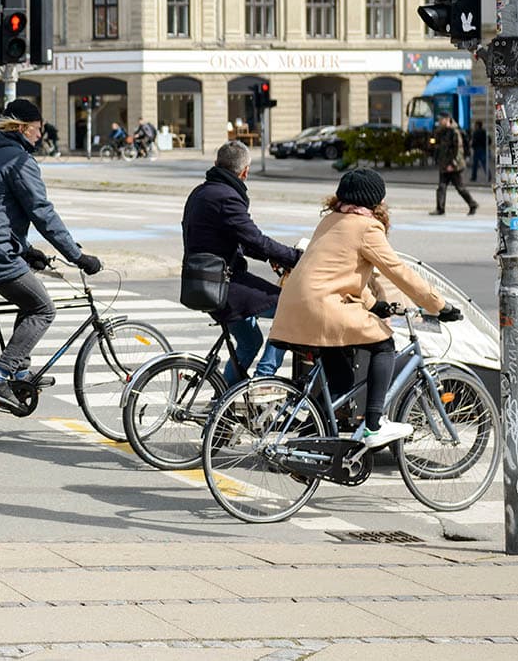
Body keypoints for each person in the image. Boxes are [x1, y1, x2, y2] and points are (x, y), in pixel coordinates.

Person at [269, 168, 459, 448]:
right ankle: (373, 424)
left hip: (294, 308)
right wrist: (438, 304)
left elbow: (340, 271)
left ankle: (306, 443)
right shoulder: (367, 227)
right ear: (375, 200)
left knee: (342, 381)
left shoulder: (331, 221)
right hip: (322, 308)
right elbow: (397, 270)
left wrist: (374, 304)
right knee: (384, 343)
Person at [0, 99, 101, 410]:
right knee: (43, 309)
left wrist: (27, 251)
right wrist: (77, 256)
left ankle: (21, 370)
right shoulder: (17, 160)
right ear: (23, 127)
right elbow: (43, 214)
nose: (40, 136)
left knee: (27, 299)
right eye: (38, 129)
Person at [181, 141, 301, 383]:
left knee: (250, 341)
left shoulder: (201, 192)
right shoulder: (227, 198)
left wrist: (270, 258)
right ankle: (262, 381)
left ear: (216, 164)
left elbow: (235, 240)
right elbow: (255, 239)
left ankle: (225, 398)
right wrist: (296, 257)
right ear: (245, 171)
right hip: (224, 284)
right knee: (291, 309)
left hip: (200, 281)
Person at [430, 114, 477, 216]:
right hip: (444, 165)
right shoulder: (442, 132)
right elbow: (436, 143)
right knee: (441, 187)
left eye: (441, 120)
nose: (439, 122)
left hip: (454, 166)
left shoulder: (454, 132)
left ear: (447, 120)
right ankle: (440, 209)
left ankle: (472, 204)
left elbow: (458, 151)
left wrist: (453, 164)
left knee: (460, 188)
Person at [469, 118, 490, 183]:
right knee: (483, 164)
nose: (474, 126)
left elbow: (474, 141)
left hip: (478, 149)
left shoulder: (476, 132)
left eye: (475, 125)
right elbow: (489, 140)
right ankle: (488, 175)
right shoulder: (484, 132)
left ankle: (473, 177)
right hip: (483, 149)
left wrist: (472, 145)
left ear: (478, 125)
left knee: (476, 164)